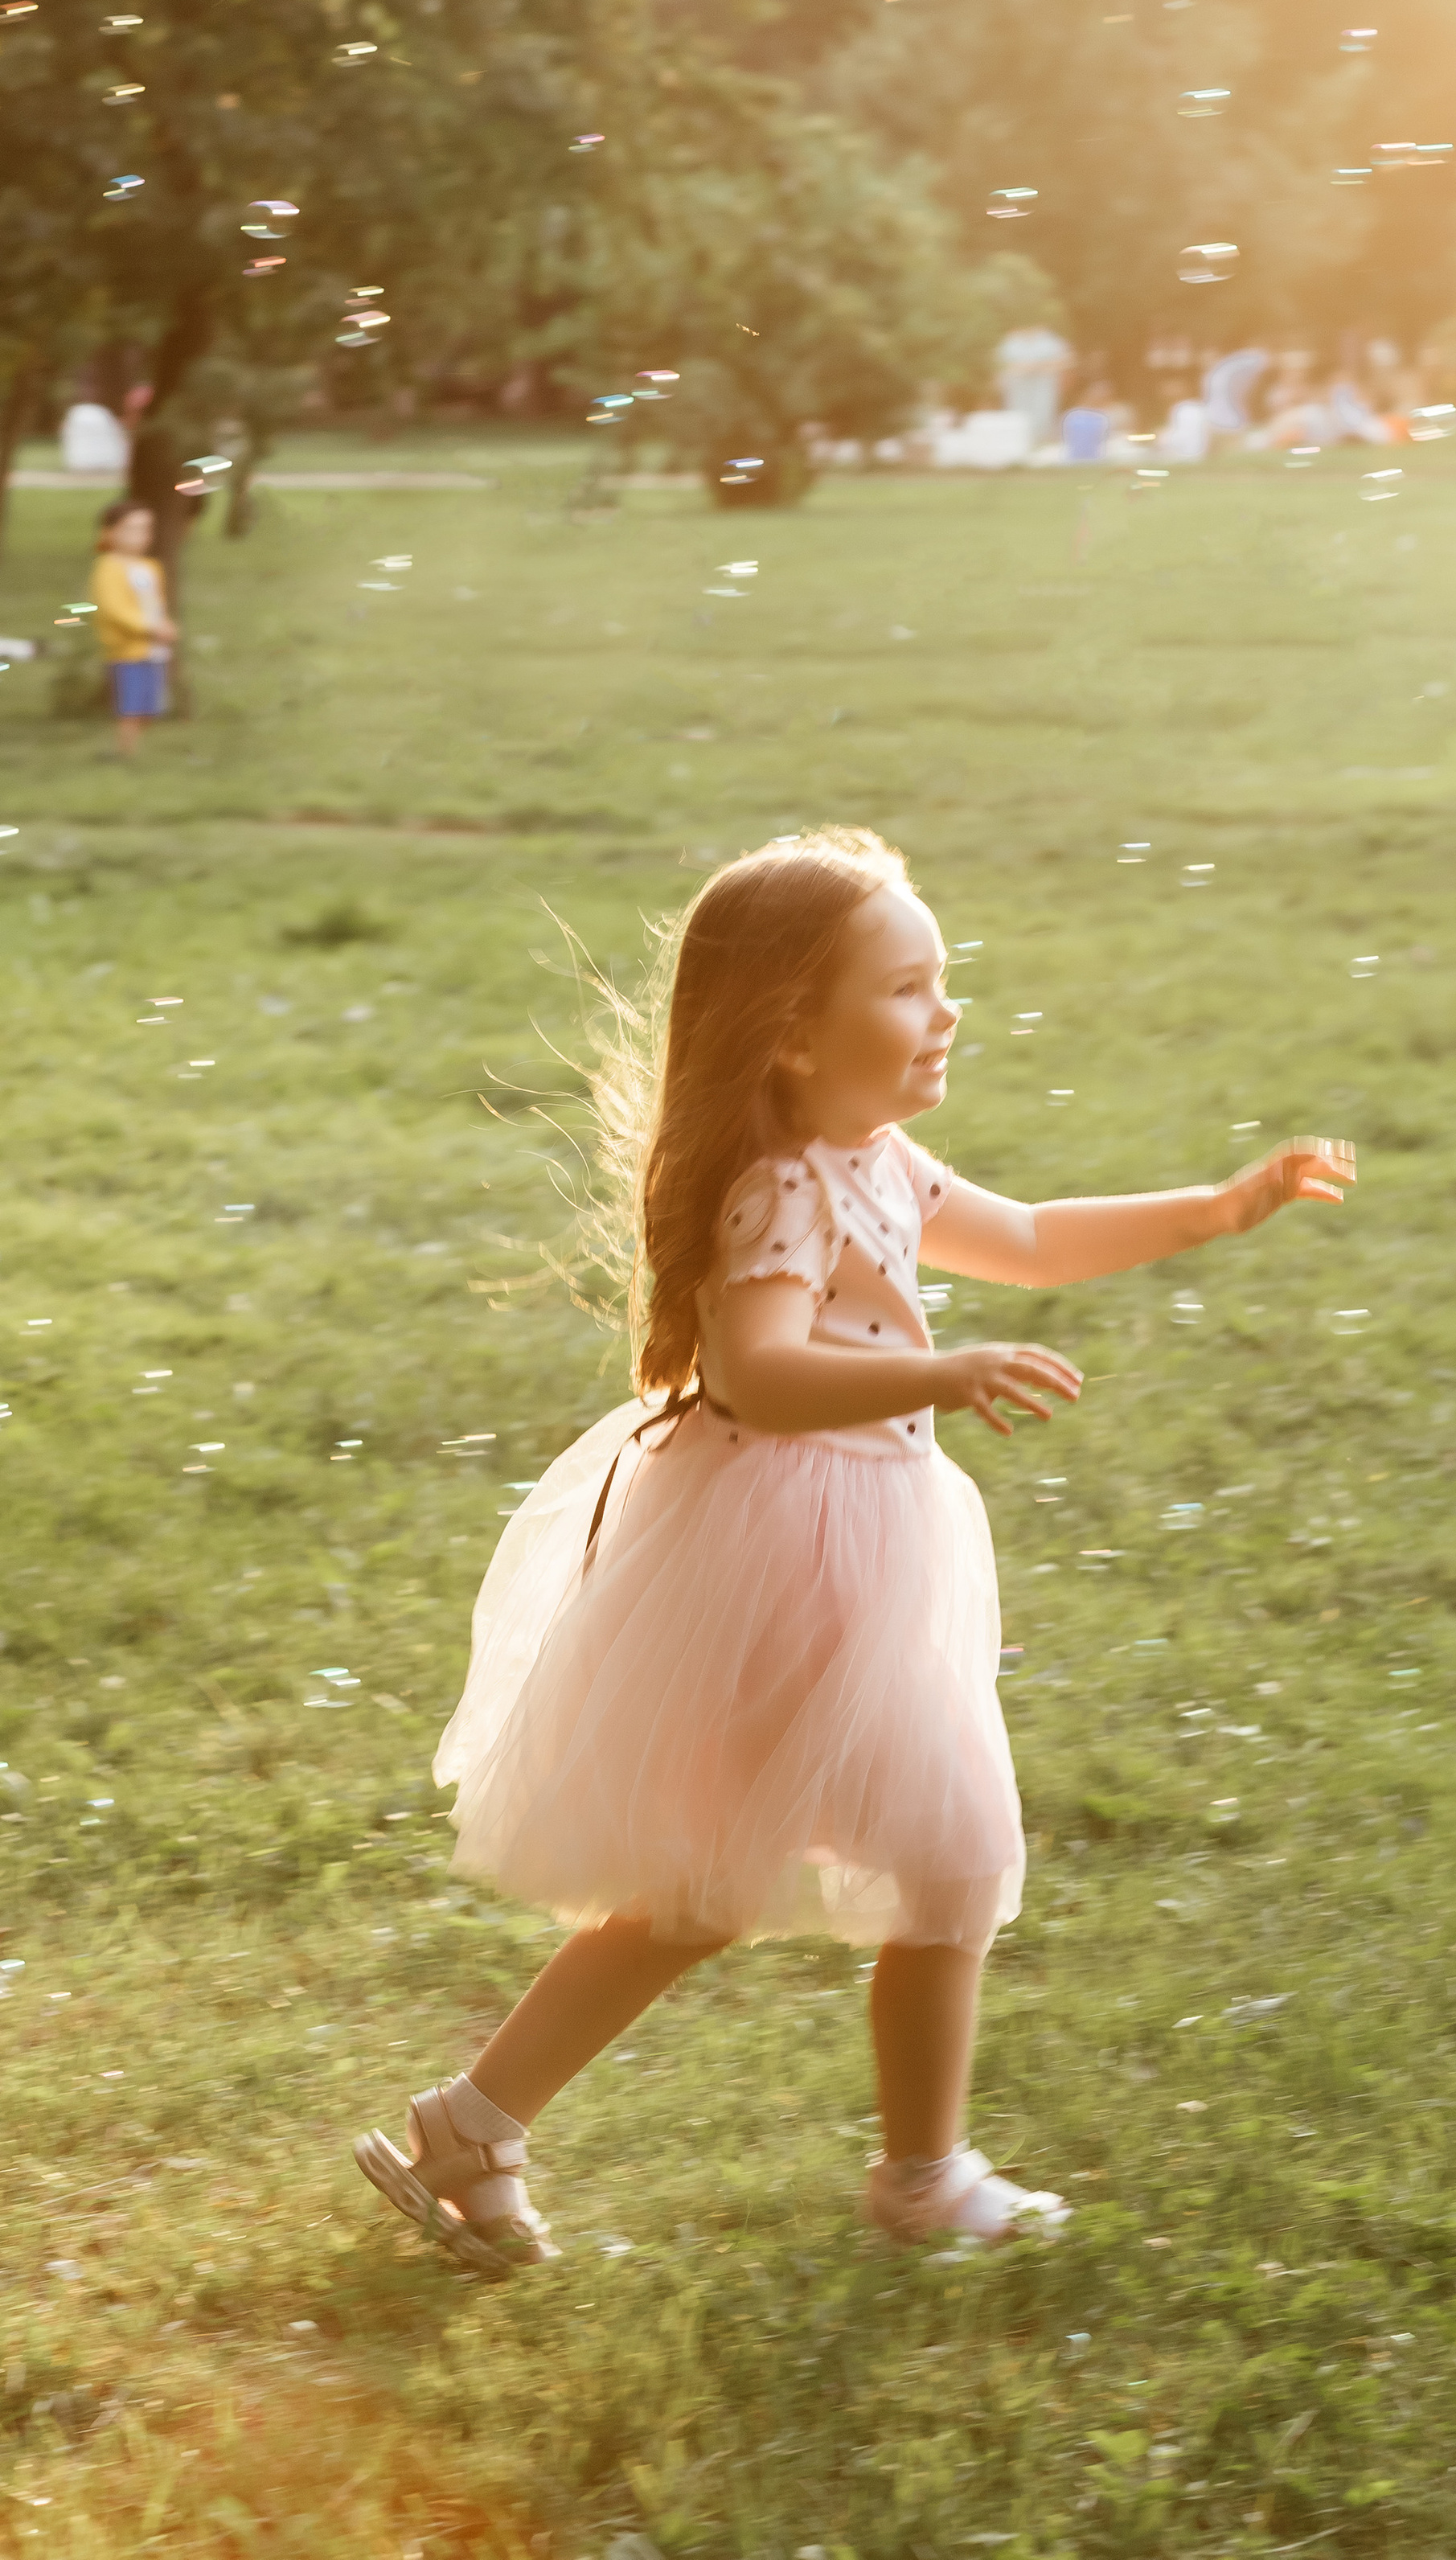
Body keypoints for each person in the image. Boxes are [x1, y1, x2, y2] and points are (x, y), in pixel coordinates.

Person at [355, 829, 1354, 2267]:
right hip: (783, 1552)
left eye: (944, 979)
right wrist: (939, 1372)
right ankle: (895, 2178)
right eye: (906, 987)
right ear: (793, 1033)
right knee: (783, 1875)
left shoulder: (872, 1158)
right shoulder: (781, 1189)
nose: (946, 1011)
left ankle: (493, 2127)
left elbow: (1029, 1238)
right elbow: (758, 1372)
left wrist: (1221, 1206)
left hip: (859, 1541)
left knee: (845, 1872)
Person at [89, 500, 178, 756]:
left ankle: (136, 750)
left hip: (154, 648)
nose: (139, 535)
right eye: (131, 528)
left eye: (145, 528)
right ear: (110, 533)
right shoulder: (108, 568)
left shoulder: (151, 568)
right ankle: (125, 752)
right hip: (127, 649)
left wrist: (165, 624)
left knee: (150, 704)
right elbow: (114, 609)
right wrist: (149, 628)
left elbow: (157, 602)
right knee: (131, 705)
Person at [994, 323, 1073, 448]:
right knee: (1017, 416)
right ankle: (1019, 444)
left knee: (1042, 416)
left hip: (1043, 388)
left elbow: (1066, 360)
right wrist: (1019, 369)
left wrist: (1038, 366)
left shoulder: (1050, 340)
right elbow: (999, 365)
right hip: (1017, 389)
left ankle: (1041, 443)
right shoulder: (1011, 342)